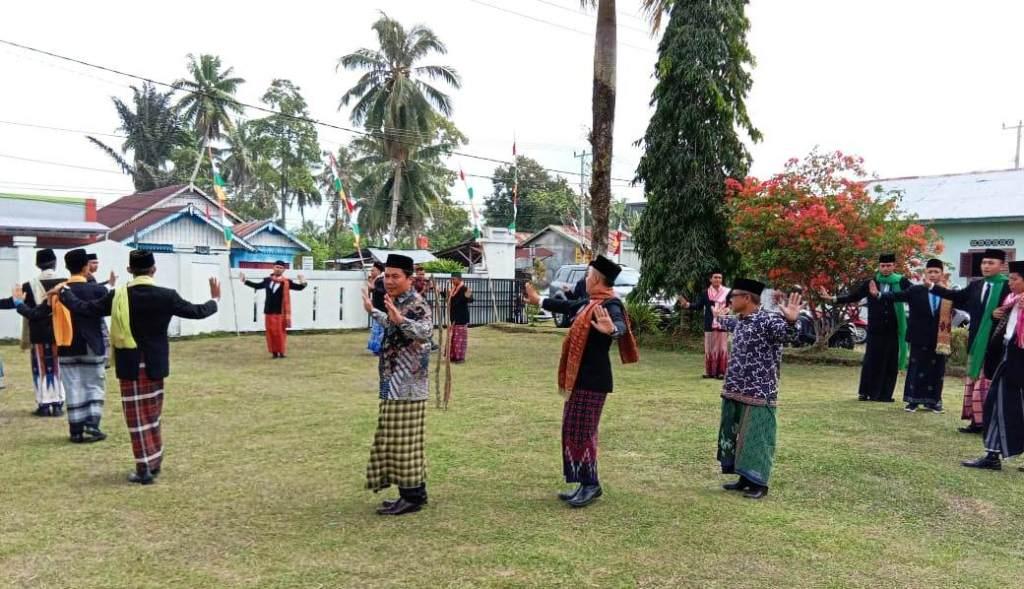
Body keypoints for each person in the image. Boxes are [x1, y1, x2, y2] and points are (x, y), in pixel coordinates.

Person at [57, 249, 220, 485]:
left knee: (136, 418)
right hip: (154, 364)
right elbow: (197, 312)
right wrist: (215, 299)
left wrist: (64, 292)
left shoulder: (118, 295)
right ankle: (152, 461)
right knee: (152, 414)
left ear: (129, 270)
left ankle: (144, 468)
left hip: (130, 364)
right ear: (154, 270)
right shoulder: (166, 295)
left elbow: (85, 309)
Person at [523, 255, 639, 508]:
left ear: (597, 278)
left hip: (594, 381)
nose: (585, 279)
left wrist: (613, 330)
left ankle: (591, 484)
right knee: (573, 429)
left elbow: (618, 325)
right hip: (580, 379)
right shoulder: (589, 303)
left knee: (584, 433)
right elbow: (567, 306)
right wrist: (538, 300)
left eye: (587, 275)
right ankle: (584, 481)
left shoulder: (610, 305)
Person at [715, 279, 801, 500]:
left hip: (760, 392)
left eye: (733, 296)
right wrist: (718, 316)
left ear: (746, 298)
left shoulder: (768, 320)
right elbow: (728, 324)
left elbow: (788, 336)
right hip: (735, 388)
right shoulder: (742, 320)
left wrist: (792, 321)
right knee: (738, 435)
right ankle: (744, 478)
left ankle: (759, 483)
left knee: (757, 437)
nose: (730, 300)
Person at [362, 254, 434, 516]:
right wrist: (376, 313)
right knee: (396, 439)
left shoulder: (416, 303)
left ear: (409, 278)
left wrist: (401, 320)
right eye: (387, 275)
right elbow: (394, 327)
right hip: (393, 380)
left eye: (395, 276)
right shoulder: (397, 301)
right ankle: (414, 492)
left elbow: (426, 331)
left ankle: (412, 496)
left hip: (409, 385)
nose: (389, 281)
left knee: (405, 442)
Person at [14, 249, 109, 443]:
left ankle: (75, 430)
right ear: (86, 267)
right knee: (94, 385)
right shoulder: (98, 290)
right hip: (92, 345)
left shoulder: (58, 291)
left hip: (66, 345)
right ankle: (92, 424)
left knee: (73, 386)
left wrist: (18, 303)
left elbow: (35, 314)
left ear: (66, 267)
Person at [927, 249, 1012, 433]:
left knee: (988, 383)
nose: (986, 266)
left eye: (991, 263)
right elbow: (957, 298)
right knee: (974, 382)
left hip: (996, 344)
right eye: (984, 263)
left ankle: (990, 422)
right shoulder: (976, 285)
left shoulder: (1008, 287)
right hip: (976, 342)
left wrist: (1001, 314)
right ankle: (976, 422)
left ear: (1001, 265)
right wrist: (934, 288)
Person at [819, 254, 912, 402]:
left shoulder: (902, 281)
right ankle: (866, 393)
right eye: (883, 266)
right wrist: (833, 299)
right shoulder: (871, 282)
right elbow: (854, 296)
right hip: (875, 329)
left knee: (890, 362)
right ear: (879, 266)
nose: (886, 269)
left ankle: (885, 395)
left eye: (889, 266)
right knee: (872, 361)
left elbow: (912, 295)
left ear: (894, 266)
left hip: (894, 329)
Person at [960, 260, 1024, 471]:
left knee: (1008, 405)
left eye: (1015, 279)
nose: (1010, 283)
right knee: (996, 404)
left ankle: (993, 454)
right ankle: (992, 454)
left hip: (1019, 359)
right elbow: (1003, 330)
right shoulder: (1011, 300)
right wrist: (996, 314)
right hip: (1008, 356)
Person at [873, 259, 953, 413]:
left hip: (939, 339)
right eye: (930, 272)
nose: (933, 274)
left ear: (942, 274)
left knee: (937, 370)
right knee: (916, 368)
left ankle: (934, 401)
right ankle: (913, 401)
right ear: (925, 273)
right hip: (918, 336)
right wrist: (879, 295)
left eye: (936, 272)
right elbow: (897, 295)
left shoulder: (948, 293)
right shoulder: (916, 290)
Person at [17, 249, 67, 417]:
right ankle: (58, 403)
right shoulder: (64, 283)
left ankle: (44, 405)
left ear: (37, 265)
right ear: (54, 262)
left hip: (38, 332)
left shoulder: (27, 285)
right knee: (58, 368)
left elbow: (26, 310)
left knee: (41, 367)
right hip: (59, 332)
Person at [241, 261, 307, 359]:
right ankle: (274, 353)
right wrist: (245, 281)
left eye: (280, 267)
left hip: (280, 311)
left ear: (284, 270)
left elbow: (299, 288)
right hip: (268, 311)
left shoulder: (287, 282)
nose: (278, 269)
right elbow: (257, 286)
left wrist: (303, 281)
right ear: (273, 268)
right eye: (277, 267)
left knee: (280, 333)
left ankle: (281, 352)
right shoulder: (267, 280)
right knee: (270, 333)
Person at [678, 272, 732, 379]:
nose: (717, 279)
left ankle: (721, 372)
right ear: (710, 279)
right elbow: (698, 306)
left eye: (720, 278)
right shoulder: (705, 293)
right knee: (710, 348)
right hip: (709, 324)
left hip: (723, 324)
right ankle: (710, 372)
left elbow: (732, 305)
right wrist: (687, 305)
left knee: (722, 348)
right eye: (715, 277)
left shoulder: (728, 292)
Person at [446, 272, 474, 363]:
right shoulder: (453, 290)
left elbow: (470, 300)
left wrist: (469, 295)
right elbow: (452, 300)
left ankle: (460, 357)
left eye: (454, 279)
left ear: (459, 279)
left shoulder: (464, 288)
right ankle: (453, 356)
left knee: (460, 339)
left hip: (461, 317)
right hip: (454, 317)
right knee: (453, 338)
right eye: (452, 279)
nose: (452, 281)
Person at [366, 262, 387, 355]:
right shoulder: (376, 280)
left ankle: (379, 348)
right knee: (376, 329)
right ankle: (376, 348)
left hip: (382, 309)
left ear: (379, 271)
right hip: (377, 307)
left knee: (381, 330)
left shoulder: (382, 280)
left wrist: (373, 288)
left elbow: (383, 291)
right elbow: (371, 290)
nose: (371, 272)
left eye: (373, 270)